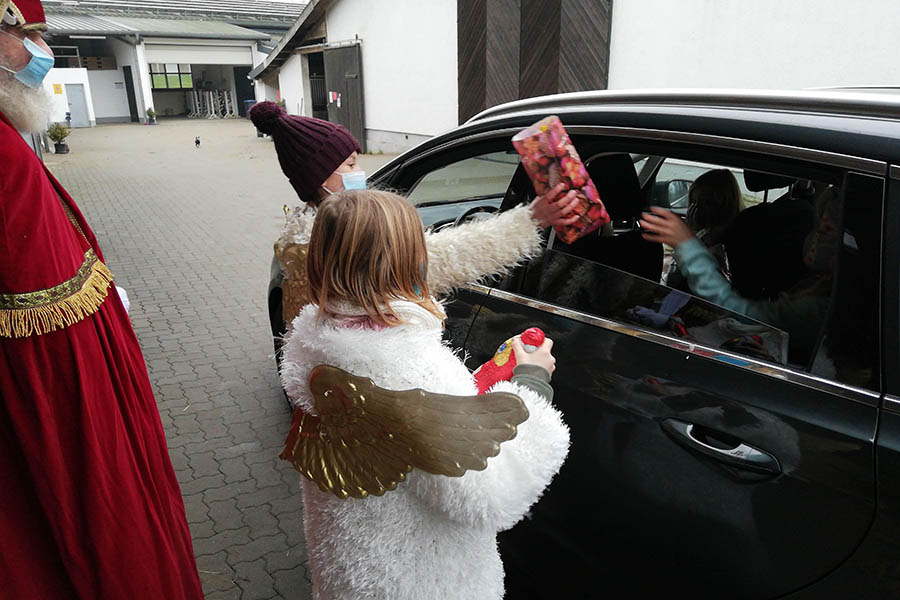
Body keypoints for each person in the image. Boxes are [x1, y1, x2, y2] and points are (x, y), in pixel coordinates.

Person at [0, 2, 203, 598]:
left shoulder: (10, 132)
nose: (40, 53)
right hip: (70, 400)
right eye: (27, 35)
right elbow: (38, 323)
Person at [278, 189, 570, 600]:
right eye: (419, 245)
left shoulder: (316, 341)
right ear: (403, 262)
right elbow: (492, 494)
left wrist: (465, 402)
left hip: (356, 573)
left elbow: (412, 434)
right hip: (418, 582)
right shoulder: (405, 368)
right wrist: (531, 385)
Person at [248, 100, 580, 325]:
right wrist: (531, 219)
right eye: (349, 164)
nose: (359, 171)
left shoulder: (303, 239)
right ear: (318, 177)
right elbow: (447, 256)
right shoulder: (355, 236)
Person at [639, 204, 831, 364]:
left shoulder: (817, 308)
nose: (816, 238)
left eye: (827, 230)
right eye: (817, 229)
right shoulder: (821, 290)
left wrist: (686, 245)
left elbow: (734, 308)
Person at [665, 169, 743, 289]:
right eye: (694, 203)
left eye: (706, 202)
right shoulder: (714, 236)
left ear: (723, 205)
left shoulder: (719, 244)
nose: (696, 210)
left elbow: (674, 282)